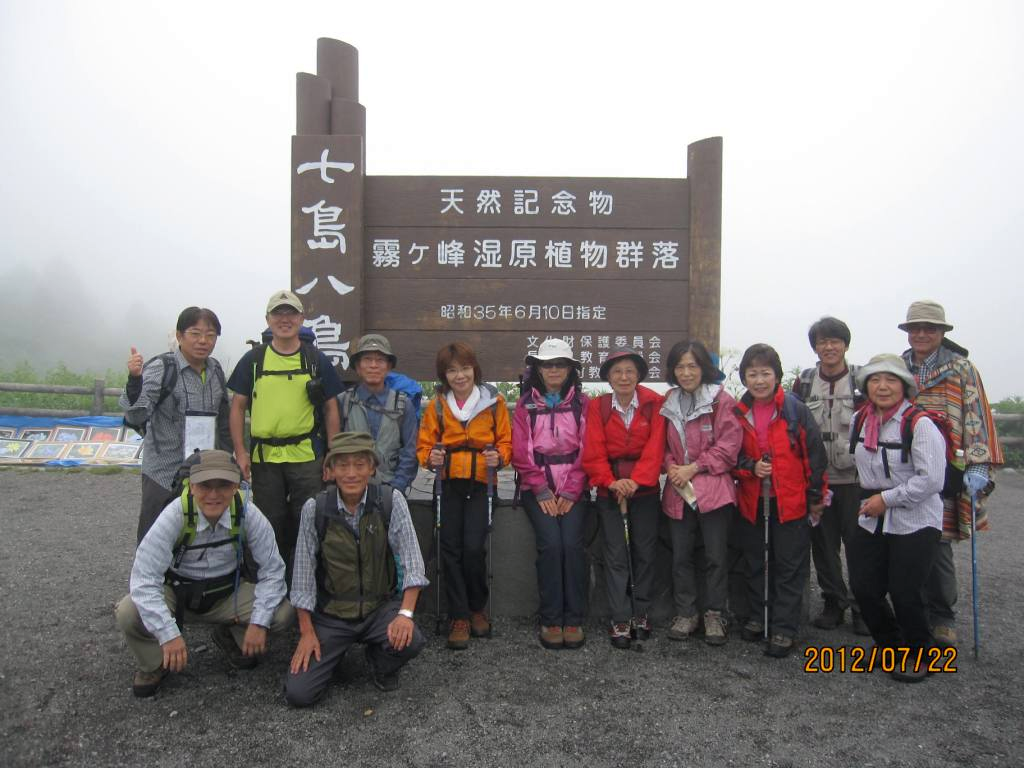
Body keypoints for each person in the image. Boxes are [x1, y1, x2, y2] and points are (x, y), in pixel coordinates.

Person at [114, 450, 294, 697]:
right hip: (177, 596)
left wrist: (259, 621)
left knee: (282, 614)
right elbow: (144, 580)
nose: (213, 494)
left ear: (236, 488)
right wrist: (168, 635)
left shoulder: (247, 513)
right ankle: (153, 663)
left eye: (223, 486)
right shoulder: (175, 514)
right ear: (192, 486)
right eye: (205, 485)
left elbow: (273, 571)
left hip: (226, 595)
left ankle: (229, 634)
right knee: (129, 611)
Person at [285, 432, 427, 705]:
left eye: (360, 465)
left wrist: (405, 614)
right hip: (331, 615)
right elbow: (302, 575)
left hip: (378, 608)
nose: (351, 473)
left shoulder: (389, 500)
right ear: (330, 470)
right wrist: (305, 632)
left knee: (412, 641)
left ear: (372, 468)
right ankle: (333, 655)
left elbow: (413, 562)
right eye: (343, 465)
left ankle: (380, 661)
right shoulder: (315, 509)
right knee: (298, 694)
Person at [899, 300, 1003, 648]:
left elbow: (975, 415)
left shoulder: (961, 369)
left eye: (929, 328)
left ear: (942, 332)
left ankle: (942, 614)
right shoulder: (899, 368)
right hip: (904, 466)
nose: (922, 334)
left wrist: (977, 466)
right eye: (915, 328)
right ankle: (909, 609)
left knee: (938, 539)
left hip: (948, 466)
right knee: (904, 539)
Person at [227, 290, 343, 577]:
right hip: (264, 457)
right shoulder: (253, 360)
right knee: (268, 523)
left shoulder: (315, 359)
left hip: (306, 456)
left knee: (309, 521)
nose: (285, 319)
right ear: (267, 320)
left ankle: (307, 584)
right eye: (278, 313)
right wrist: (241, 452)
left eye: (291, 313)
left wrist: (333, 453)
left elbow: (331, 409)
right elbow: (238, 407)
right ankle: (268, 586)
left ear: (302, 319)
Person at [848, 354, 946, 682]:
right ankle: (889, 645)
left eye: (891, 380)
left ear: (905, 386)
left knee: (905, 591)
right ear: (866, 386)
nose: (883, 386)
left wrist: (886, 499)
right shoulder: (861, 420)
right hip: (872, 513)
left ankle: (920, 652)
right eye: (875, 380)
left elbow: (932, 479)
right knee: (864, 587)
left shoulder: (920, 424)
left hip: (915, 517)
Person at [732, 343, 827, 658]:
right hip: (752, 500)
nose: (759, 380)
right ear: (744, 377)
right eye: (752, 374)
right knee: (756, 562)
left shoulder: (794, 409)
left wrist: (815, 496)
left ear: (777, 375)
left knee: (789, 565)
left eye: (765, 373)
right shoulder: (737, 411)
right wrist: (751, 468)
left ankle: (784, 627)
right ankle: (760, 616)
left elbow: (814, 455)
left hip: (790, 501)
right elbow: (730, 456)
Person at [416, 341, 513, 650]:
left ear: (475, 370)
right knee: (450, 549)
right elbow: (424, 446)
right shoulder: (436, 406)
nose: (460, 376)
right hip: (448, 484)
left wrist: (500, 456)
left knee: (473, 548)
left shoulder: (495, 403)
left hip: (482, 483)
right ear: (444, 375)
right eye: (452, 370)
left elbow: (506, 442)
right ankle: (459, 616)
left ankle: (476, 608)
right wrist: (430, 458)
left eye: (465, 368)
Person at [120, 307, 231, 543]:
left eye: (210, 335)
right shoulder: (162, 368)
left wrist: (229, 460)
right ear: (180, 336)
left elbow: (223, 422)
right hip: (164, 471)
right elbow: (136, 417)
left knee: (198, 535)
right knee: (155, 537)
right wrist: (134, 381)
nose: (203, 341)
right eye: (195, 333)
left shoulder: (216, 371)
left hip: (203, 471)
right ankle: (148, 580)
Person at [582, 348, 666, 649]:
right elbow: (593, 449)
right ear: (607, 377)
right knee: (616, 555)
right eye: (617, 371)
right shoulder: (598, 406)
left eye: (630, 371)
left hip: (644, 492)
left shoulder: (655, 404)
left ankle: (641, 611)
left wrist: (637, 480)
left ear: (640, 374)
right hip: (610, 490)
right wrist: (610, 482)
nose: (624, 377)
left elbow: (657, 447)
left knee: (644, 552)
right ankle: (620, 616)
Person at [660, 340, 742, 646]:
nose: (685, 372)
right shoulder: (669, 399)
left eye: (692, 365)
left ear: (704, 368)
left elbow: (729, 447)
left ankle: (714, 613)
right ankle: (686, 612)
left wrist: (692, 468)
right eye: (680, 366)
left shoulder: (721, 400)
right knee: (680, 556)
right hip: (678, 491)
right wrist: (671, 467)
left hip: (713, 492)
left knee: (715, 556)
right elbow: (664, 446)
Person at [791, 317, 869, 635]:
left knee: (860, 546)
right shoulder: (805, 382)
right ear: (815, 347)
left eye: (835, 341)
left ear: (845, 344)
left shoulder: (864, 380)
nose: (828, 347)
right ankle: (834, 602)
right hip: (818, 478)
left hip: (856, 478)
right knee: (823, 546)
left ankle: (865, 606)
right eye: (822, 342)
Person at [512, 339, 590, 650]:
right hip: (537, 487)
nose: (553, 369)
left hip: (574, 487)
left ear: (571, 369)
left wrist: (571, 490)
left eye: (560, 363)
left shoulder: (583, 404)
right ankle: (550, 617)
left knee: (572, 545)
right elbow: (520, 452)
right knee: (551, 545)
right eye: (547, 364)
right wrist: (542, 489)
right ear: (538, 369)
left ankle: (573, 618)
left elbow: (589, 449)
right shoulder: (525, 404)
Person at [336, 333, 419, 495]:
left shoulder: (403, 404)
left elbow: (410, 451)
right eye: (367, 359)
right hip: (350, 491)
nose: (373, 365)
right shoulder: (343, 402)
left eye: (380, 360)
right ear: (358, 367)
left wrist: (397, 489)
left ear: (388, 367)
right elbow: (334, 448)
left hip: (391, 487)